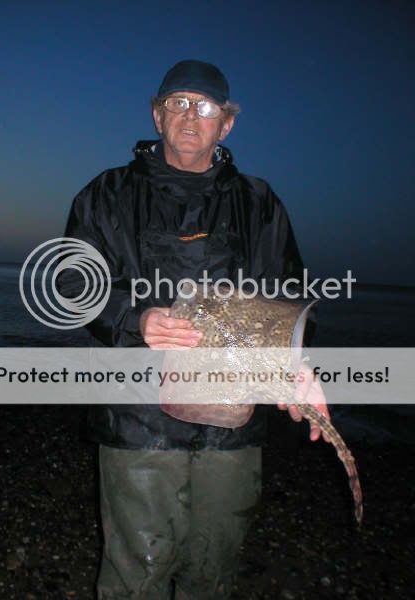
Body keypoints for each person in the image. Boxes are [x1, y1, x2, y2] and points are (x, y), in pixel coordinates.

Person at [61, 59, 330, 599]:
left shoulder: (259, 202)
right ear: (157, 115)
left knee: (212, 567)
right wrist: (134, 318)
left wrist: (298, 366)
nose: (190, 116)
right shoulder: (106, 194)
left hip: (232, 418)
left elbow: (290, 297)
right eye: (177, 103)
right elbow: (72, 282)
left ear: (226, 124)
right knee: (138, 571)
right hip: (136, 415)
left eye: (204, 107)